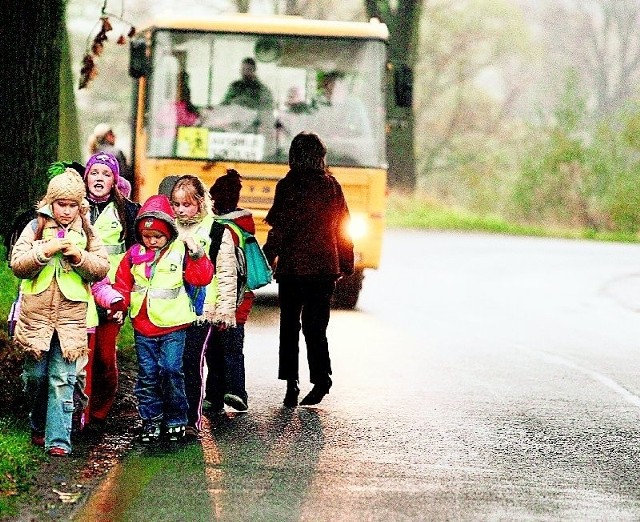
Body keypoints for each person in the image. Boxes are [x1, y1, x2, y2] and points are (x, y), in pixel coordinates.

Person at [11, 168, 109, 456]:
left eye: (73, 205)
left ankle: (59, 441)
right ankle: (39, 425)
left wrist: (80, 257)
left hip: (70, 319)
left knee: (62, 379)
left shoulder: (87, 232)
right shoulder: (35, 228)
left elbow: (101, 267)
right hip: (36, 317)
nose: (66, 212)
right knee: (36, 377)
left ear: (80, 205)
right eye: (61, 205)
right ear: (50, 203)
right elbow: (18, 264)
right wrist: (45, 251)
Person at [263, 132, 354, 407]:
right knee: (316, 327)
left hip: (292, 269)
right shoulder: (332, 186)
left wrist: (267, 258)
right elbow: (343, 226)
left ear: (293, 157)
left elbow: (279, 229)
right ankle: (321, 379)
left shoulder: (287, 186)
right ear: (320, 157)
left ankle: (291, 383)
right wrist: (347, 262)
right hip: (324, 269)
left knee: (289, 326)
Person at [113, 195, 214, 443]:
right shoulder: (134, 254)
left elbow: (201, 278)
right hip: (143, 325)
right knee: (147, 374)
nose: (152, 241)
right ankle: (151, 420)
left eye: (157, 236)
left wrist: (198, 255)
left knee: (171, 370)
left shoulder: (180, 252)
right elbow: (123, 283)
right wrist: (119, 306)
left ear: (169, 233)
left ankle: (177, 419)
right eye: (147, 237)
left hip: (173, 325)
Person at [81, 152, 140, 430]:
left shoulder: (127, 212)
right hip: (78, 292)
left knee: (105, 358)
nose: (99, 179)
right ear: (86, 177)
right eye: (94, 173)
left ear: (115, 180)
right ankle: (80, 414)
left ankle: (100, 413)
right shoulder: (74, 206)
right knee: (81, 357)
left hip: (112, 294)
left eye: (106, 174)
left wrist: (124, 299)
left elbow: (135, 258)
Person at [204, 169, 256, 415]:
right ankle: (236, 391)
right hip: (241, 300)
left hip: (223, 300)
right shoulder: (245, 228)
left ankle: (216, 395)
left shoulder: (220, 230)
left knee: (214, 351)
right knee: (233, 349)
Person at [169, 175, 215, 438]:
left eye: (186, 204)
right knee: (171, 364)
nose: (180, 210)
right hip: (172, 309)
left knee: (191, 362)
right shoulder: (169, 227)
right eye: (176, 204)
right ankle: (171, 413)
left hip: (201, 308)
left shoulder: (211, 229)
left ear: (199, 203)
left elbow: (217, 272)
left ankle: (191, 419)